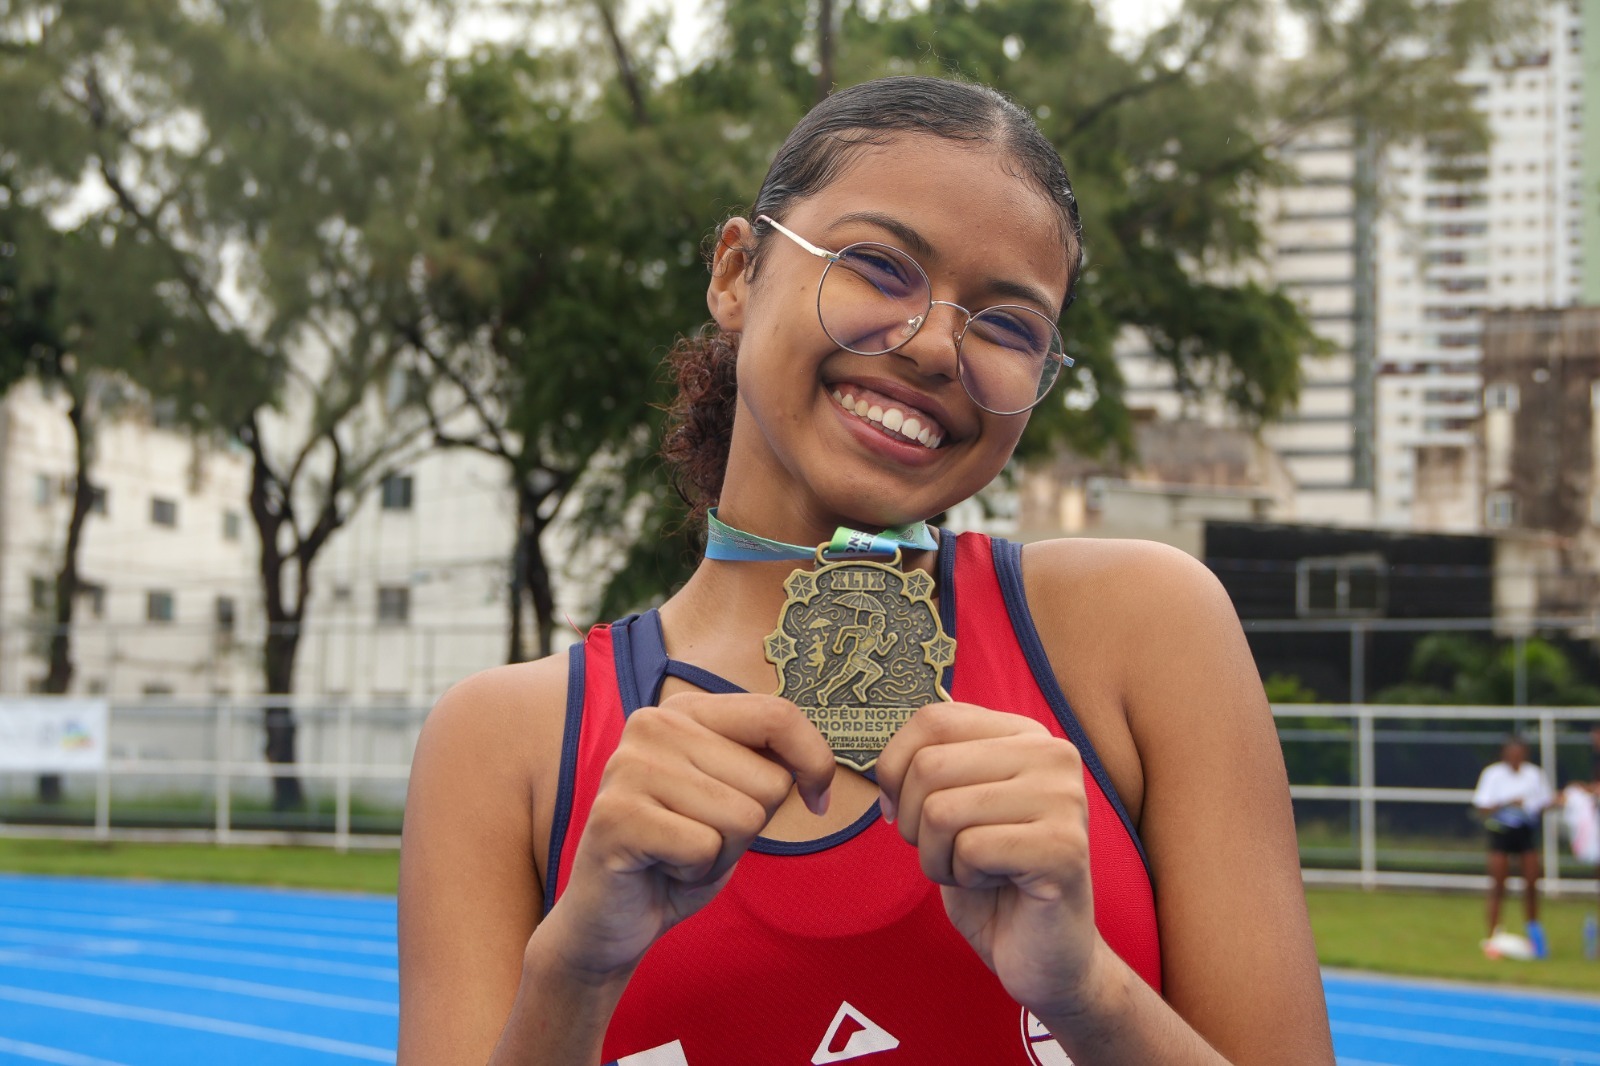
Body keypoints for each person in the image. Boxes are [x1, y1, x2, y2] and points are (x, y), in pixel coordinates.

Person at [397, 76, 1334, 1065]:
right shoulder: (505, 746)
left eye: (1009, 325)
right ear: (736, 271)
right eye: (878, 266)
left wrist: (1087, 989)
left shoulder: (1142, 630)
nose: (934, 346)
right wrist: (573, 973)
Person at [1473, 735, 1553, 958]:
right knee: (1498, 884)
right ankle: (1492, 935)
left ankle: (1534, 934)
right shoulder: (1493, 774)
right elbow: (1482, 807)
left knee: (1531, 882)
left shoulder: (1534, 775)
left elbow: (1545, 802)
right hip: (1501, 831)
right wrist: (1507, 803)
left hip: (1525, 831)